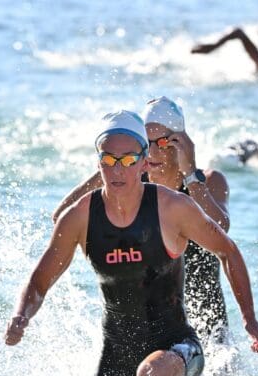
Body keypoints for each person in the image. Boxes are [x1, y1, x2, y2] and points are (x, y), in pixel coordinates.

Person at [5, 110, 258, 376]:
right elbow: (41, 279)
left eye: (128, 159)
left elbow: (228, 250)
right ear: (98, 164)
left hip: (177, 346)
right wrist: (20, 316)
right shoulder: (80, 217)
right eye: (109, 160)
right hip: (114, 356)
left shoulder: (170, 207)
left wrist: (250, 321)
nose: (118, 168)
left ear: (144, 162)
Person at [53, 97, 232, 344]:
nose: (155, 151)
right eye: (147, 144)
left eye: (164, 142)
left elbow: (221, 229)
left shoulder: (209, 182)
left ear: (182, 143)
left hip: (207, 322)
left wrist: (190, 174)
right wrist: (112, 164)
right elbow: (61, 218)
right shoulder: (129, 185)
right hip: (151, 324)